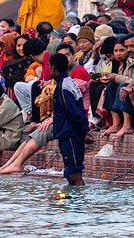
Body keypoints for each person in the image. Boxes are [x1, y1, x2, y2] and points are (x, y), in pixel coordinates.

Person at [49, 53, 90, 185]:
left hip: (70, 134)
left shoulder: (63, 88)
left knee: (74, 174)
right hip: (71, 133)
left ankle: (77, 203)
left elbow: (74, 113)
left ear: (53, 68)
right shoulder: (68, 83)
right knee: (72, 173)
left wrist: (83, 131)